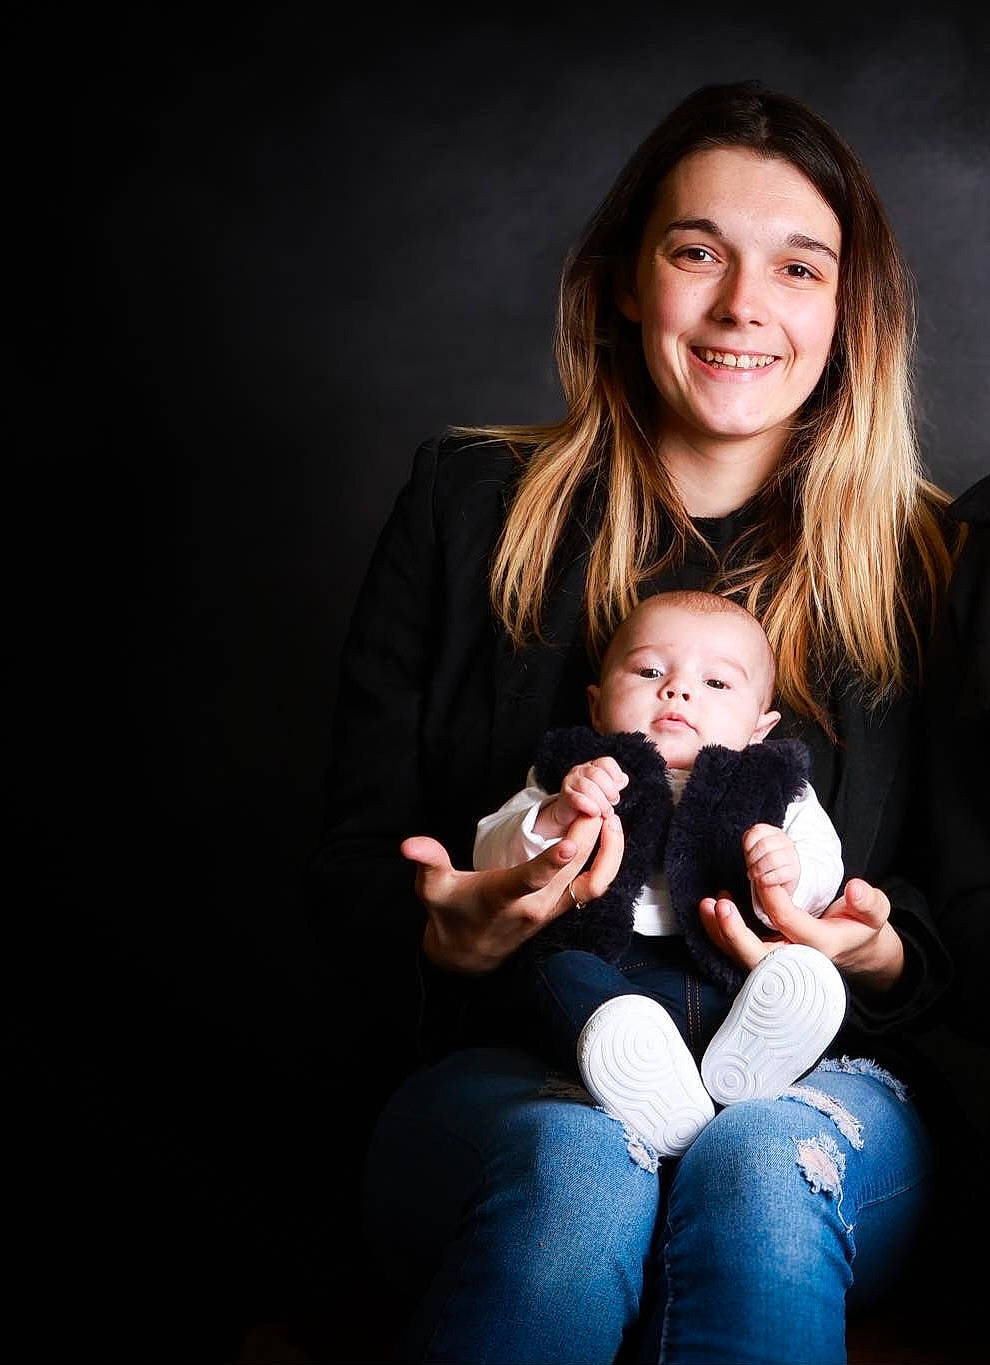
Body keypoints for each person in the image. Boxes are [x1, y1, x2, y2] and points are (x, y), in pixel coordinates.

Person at [311, 79, 971, 1364]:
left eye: (799, 267)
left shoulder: (932, 566)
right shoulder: (465, 509)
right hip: (518, 1076)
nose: (744, 306)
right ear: (624, 280)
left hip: (815, 1093)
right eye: (697, 253)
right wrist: (447, 933)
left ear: (849, 312)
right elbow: (349, 871)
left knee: (763, 1165)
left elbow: (969, 928)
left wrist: (878, 953)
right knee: (577, 1167)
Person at [472, 588, 847, 1153]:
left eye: (716, 682)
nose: (678, 690)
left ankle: (748, 1064)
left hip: (725, 971)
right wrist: (552, 816)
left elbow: (824, 863)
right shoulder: (576, 773)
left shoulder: (774, 785)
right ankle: (637, 1069)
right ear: (597, 706)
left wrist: (788, 874)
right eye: (649, 671)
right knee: (560, 974)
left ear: (759, 728)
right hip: (608, 967)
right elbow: (489, 855)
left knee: (782, 980)